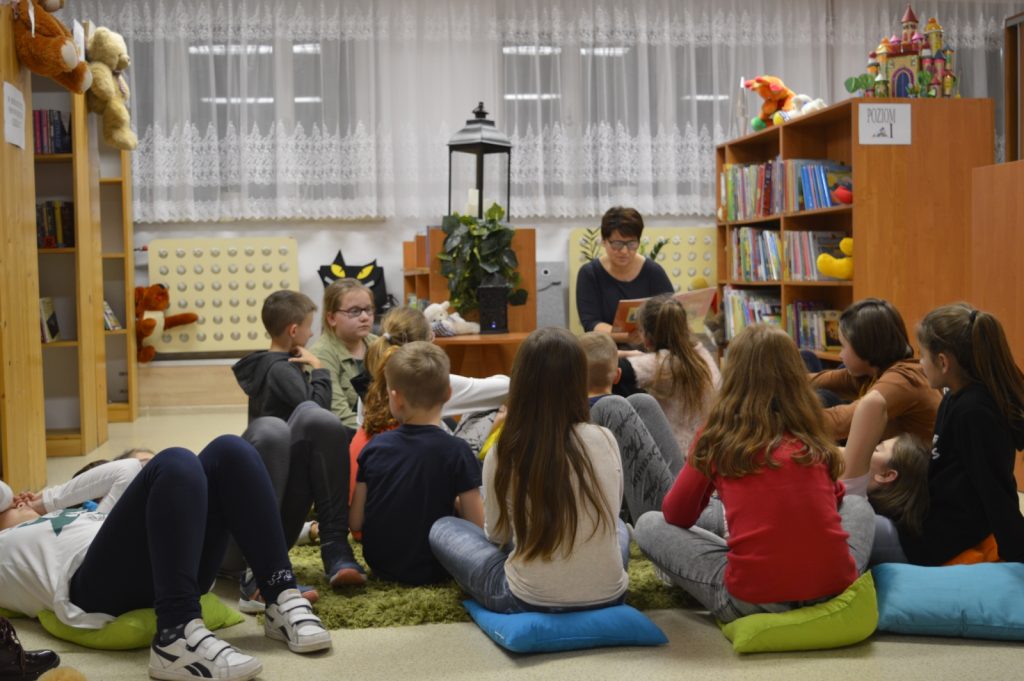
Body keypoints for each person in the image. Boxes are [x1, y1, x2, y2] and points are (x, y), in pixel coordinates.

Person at [0, 437, 331, 681]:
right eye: (12, 504)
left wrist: (46, 501)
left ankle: (279, 594)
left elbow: (127, 470)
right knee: (175, 461)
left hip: (156, 567)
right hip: (86, 588)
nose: (18, 500)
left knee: (230, 450)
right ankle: (176, 636)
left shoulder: (83, 515)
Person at [633, 324, 875, 623]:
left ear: (733, 375)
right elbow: (834, 500)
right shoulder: (811, 433)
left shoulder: (717, 434)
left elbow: (677, 514)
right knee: (857, 504)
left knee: (649, 523)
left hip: (751, 602)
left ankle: (748, 563)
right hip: (832, 592)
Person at [429, 328, 630, 613]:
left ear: (520, 381)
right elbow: (612, 509)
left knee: (443, 527)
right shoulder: (605, 437)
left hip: (525, 598)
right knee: (618, 526)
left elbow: (497, 536)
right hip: (611, 594)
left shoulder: (505, 450)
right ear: (579, 380)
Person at [870, 303, 1024, 566]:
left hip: (941, 539)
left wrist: (1017, 558)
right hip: (931, 521)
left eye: (923, 355)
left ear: (943, 362)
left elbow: (995, 491)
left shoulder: (975, 412)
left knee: (850, 526)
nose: (920, 363)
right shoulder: (954, 398)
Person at [349, 341, 483, 585]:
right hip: (438, 567)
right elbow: (477, 525)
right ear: (448, 394)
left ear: (395, 398)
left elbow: (356, 521)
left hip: (381, 563)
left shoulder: (374, 448)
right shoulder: (458, 451)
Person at [809, 299, 941, 492]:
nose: (840, 355)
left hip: (908, 484)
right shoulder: (876, 371)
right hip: (891, 468)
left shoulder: (903, 380)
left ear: (865, 348)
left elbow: (842, 422)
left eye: (843, 346)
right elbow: (821, 379)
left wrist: (779, 419)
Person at [582, 331, 686, 522]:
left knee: (642, 401)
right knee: (642, 401)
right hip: (650, 513)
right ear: (617, 376)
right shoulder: (617, 412)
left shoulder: (571, 420)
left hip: (632, 505)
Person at [623, 295, 720, 455]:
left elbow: (612, 369)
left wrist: (621, 353)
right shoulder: (700, 352)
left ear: (647, 338)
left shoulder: (659, 364)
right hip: (712, 446)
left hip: (681, 454)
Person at [233, 290, 330, 424]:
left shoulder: (267, 362)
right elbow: (318, 413)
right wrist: (318, 367)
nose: (311, 334)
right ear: (293, 330)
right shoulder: (282, 370)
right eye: (308, 327)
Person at [575, 206, 674, 337]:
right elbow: (591, 323)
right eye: (617, 244)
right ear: (604, 241)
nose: (624, 251)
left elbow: (671, 313)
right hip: (609, 345)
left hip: (649, 343)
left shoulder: (653, 271)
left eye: (631, 244)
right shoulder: (590, 274)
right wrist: (627, 337)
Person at [309, 278, 378, 428]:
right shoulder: (321, 355)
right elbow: (341, 416)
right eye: (354, 311)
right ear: (331, 318)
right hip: (352, 434)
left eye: (368, 309)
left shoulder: (378, 344)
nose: (365, 317)